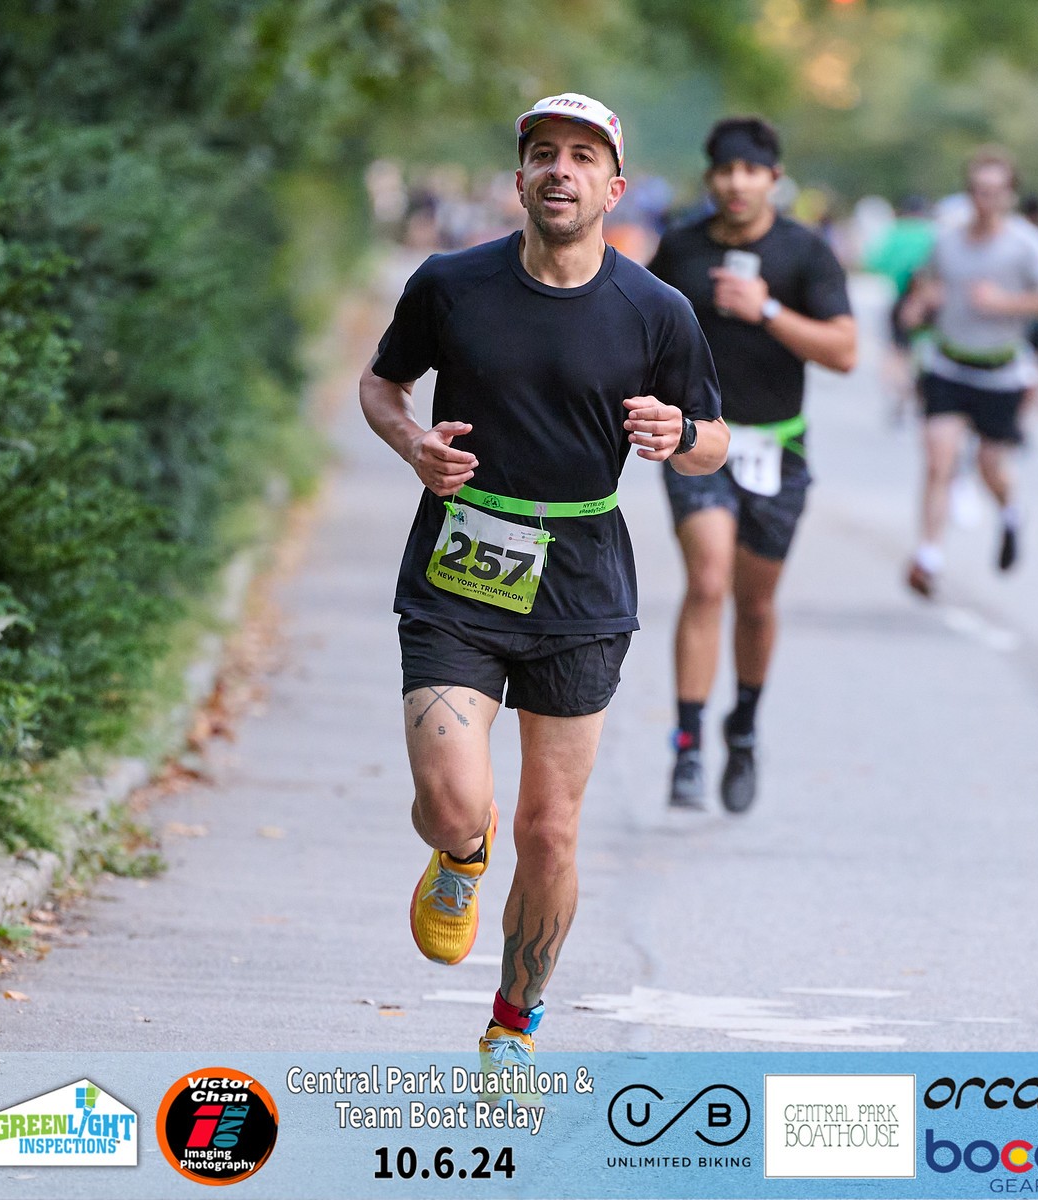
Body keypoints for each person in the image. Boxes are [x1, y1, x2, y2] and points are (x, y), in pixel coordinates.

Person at [359, 92, 728, 1077]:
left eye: (581, 157)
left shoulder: (658, 312)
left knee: (551, 827)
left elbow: (714, 438)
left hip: (579, 589)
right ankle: (457, 858)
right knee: (457, 807)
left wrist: (680, 435)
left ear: (613, 185)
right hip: (458, 573)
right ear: (520, 177)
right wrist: (414, 446)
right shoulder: (450, 284)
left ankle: (513, 1024)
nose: (560, 171)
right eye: (543, 155)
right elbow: (382, 387)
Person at [647, 116, 856, 813]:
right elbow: (636, 332)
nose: (736, 182)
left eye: (751, 170)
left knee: (756, 602)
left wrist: (765, 307)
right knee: (707, 581)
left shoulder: (805, 253)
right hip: (700, 443)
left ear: (773, 177)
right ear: (710, 178)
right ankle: (688, 745)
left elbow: (844, 351)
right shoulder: (678, 249)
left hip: (779, 449)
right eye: (725, 170)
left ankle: (742, 727)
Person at [900, 148, 1038, 599]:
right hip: (949, 363)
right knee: (938, 459)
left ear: (1009, 195)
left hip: (1000, 371)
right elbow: (928, 283)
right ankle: (928, 556)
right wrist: (920, 305)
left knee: (990, 464)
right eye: (977, 191)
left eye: (995, 192)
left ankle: (1012, 511)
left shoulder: (1026, 244)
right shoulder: (948, 240)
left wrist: (1004, 304)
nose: (985, 200)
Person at [864, 195, 936, 425]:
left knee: (897, 350)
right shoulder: (933, 233)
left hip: (902, 298)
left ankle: (900, 391)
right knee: (925, 349)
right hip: (930, 303)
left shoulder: (895, 232)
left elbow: (873, 262)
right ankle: (919, 389)